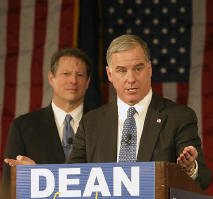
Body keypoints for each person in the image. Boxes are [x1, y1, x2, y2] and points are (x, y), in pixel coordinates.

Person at [67, 34, 211, 190]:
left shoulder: (179, 117)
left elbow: (203, 179)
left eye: (138, 68)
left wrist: (190, 168)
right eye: (122, 70)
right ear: (110, 74)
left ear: (149, 69)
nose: (131, 78)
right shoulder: (91, 123)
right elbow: (71, 178)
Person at [2, 47, 92, 192]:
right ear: (51, 78)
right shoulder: (22, 127)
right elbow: (10, 187)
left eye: (80, 75)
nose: (73, 80)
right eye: (66, 74)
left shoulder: (104, 124)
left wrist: (40, 174)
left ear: (88, 82)